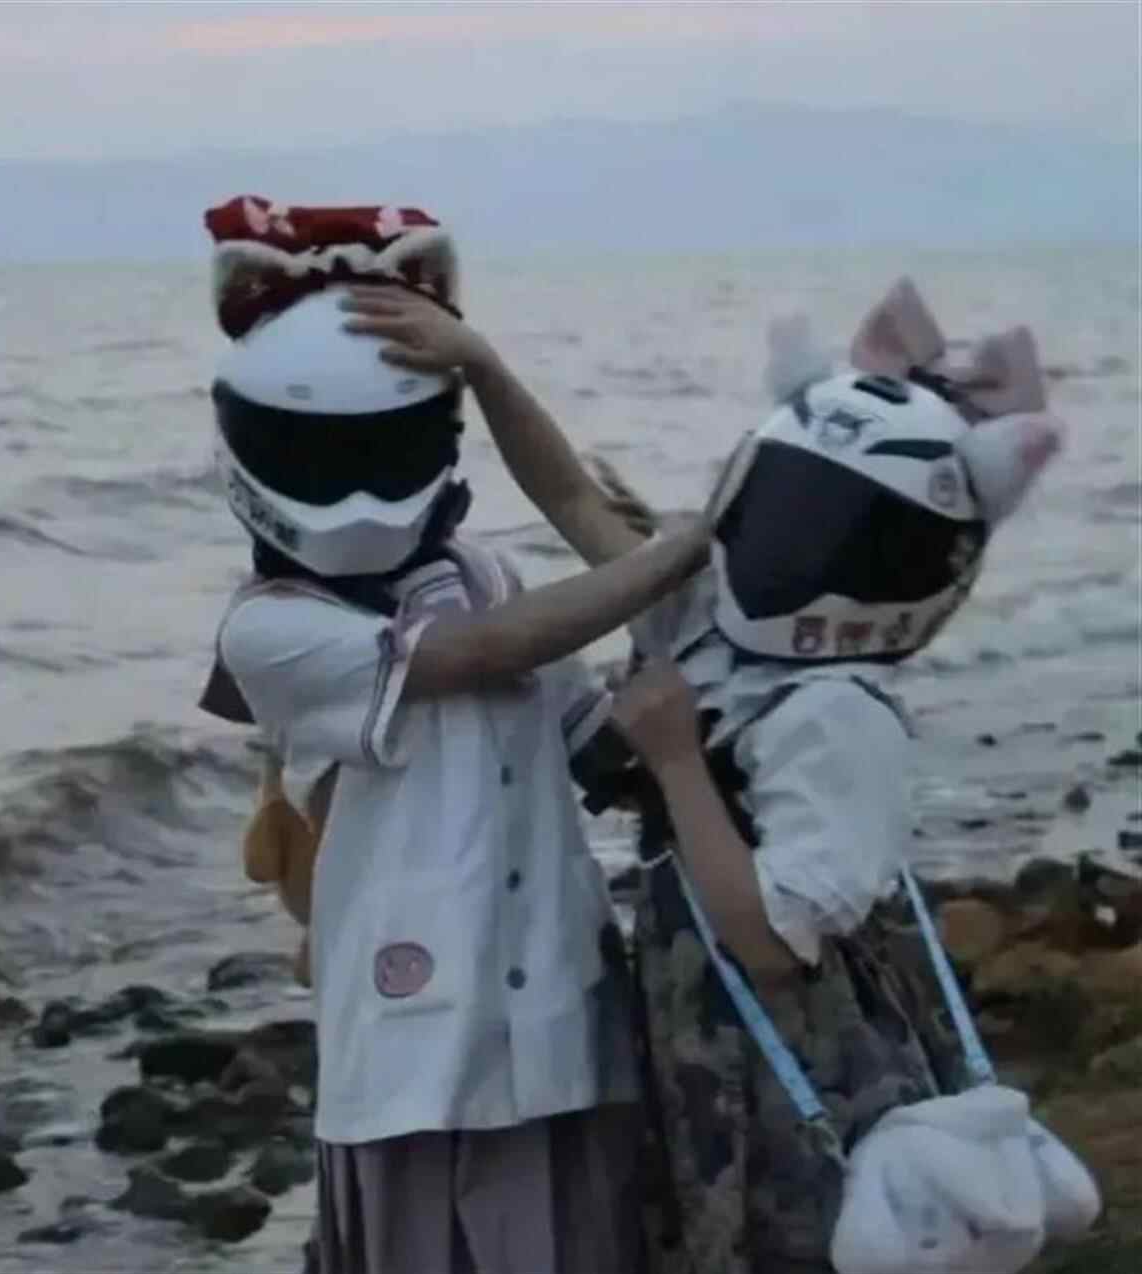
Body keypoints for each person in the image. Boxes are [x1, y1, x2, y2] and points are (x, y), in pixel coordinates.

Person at [345, 278, 1064, 1273]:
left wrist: (677, 759)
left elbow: (772, 942)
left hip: (806, 1054)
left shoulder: (838, 714)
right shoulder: (710, 619)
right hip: (712, 1027)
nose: (794, 540)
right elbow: (572, 500)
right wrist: (482, 367)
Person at [199, 197, 710, 1274]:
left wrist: (707, 709)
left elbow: (590, 736)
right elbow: (486, 651)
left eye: (381, 446)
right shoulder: (270, 631)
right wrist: (674, 553)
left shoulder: (478, 570)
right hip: (416, 1058)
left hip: (559, 1020)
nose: (355, 480)